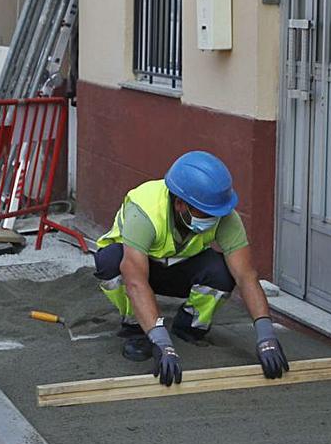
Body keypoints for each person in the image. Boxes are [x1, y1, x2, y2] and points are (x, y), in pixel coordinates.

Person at [94, 151, 290, 386]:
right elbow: (135, 280)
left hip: (179, 267)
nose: (213, 219)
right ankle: (136, 328)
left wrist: (266, 334)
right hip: (137, 268)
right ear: (180, 204)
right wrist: (161, 343)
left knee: (222, 273)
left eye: (216, 213)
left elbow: (246, 275)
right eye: (205, 214)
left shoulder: (222, 214)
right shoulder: (144, 210)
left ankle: (188, 327)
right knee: (110, 263)